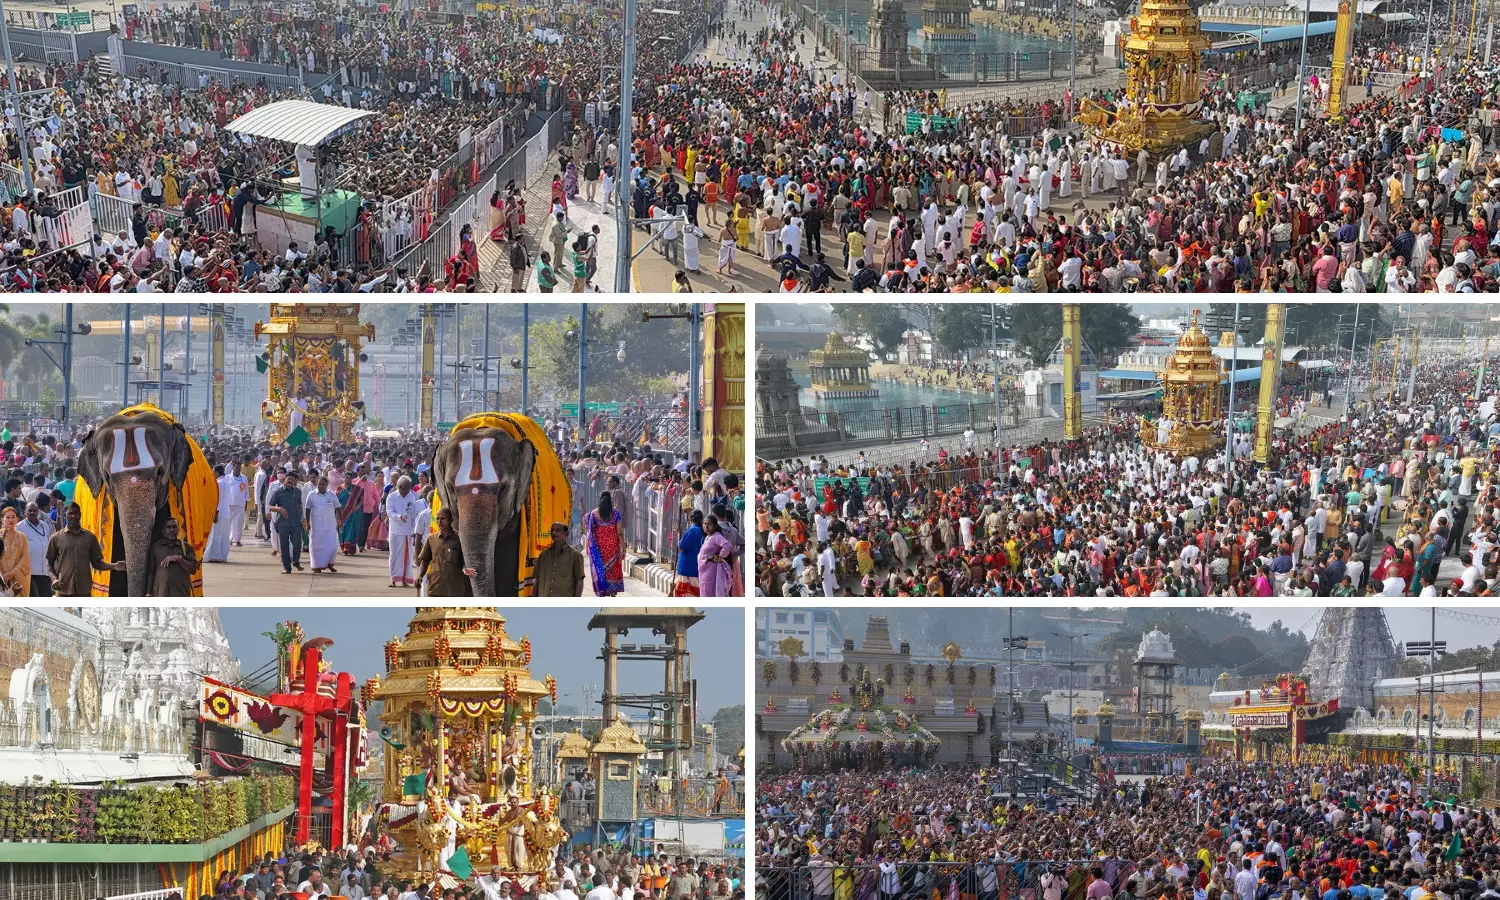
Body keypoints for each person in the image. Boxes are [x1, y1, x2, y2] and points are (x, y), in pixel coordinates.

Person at [46, 502, 124, 596]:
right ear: (65, 515)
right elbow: (49, 563)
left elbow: (97, 564)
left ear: (80, 515)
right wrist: (54, 579)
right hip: (64, 589)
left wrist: (114, 566)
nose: (74, 516)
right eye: (70, 513)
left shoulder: (90, 537)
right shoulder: (56, 538)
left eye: (76, 513)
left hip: (84, 590)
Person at [416, 507, 476, 596]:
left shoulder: (460, 539)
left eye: (443, 518)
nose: (439, 522)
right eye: (437, 519)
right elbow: (425, 561)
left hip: (454, 590)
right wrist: (420, 577)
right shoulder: (431, 539)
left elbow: (465, 560)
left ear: (451, 520)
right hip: (434, 588)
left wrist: (465, 568)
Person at [584, 492, 625, 595]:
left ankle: (603, 590)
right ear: (610, 500)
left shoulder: (592, 514)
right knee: (612, 569)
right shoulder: (616, 514)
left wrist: (587, 547)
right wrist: (623, 547)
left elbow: (589, 533)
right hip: (613, 547)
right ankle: (612, 590)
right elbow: (619, 532)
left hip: (598, 548)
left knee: (600, 569)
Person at [266, 471, 306, 574]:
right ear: (285, 479)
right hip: (283, 523)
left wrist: (303, 518)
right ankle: (287, 567)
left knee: (297, 544)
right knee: (284, 545)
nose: (290, 481)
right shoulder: (278, 492)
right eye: (289, 479)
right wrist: (279, 509)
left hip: (296, 522)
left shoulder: (297, 491)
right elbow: (270, 506)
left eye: (293, 480)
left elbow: (300, 505)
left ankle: (296, 562)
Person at [149, 517, 200, 597]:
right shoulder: (156, 547)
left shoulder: (186, 548)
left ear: (178, 530)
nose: (172, 530)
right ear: (163, 531)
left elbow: (193, 569)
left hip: (180, 594)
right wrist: (148, 593)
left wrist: (178, 558)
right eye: (168, 527)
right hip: (160, 594)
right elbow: (151, 572)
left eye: (174, 527)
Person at [385, 476, 422, 587]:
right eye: (407, 487)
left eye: (409, 487)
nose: (409, 489)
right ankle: (393, 579)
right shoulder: (391, 497)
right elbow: (389, 512)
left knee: (407, 555)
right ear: (400, 487)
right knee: (395, 555)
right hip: (395, 531)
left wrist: (414, 529)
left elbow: (414, 513)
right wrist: (399, 517)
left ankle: (405, 579)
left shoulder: (412, 496)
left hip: (408, 531)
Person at [533, 522, 586, 596]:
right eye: (552, 530)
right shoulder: (543, 555)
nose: (554, 532)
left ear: (566, 534)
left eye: (558, 530)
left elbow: (579, 581)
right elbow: (537, 580)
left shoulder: (576, 556)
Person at [306, 475, 342, 574]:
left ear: (327, 485)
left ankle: (330, 564)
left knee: (332, 546)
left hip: (330, 525)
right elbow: (307, 509)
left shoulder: (332, 495)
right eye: (319, 484)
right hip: (316, 525)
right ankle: (316, 566)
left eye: (323, 484)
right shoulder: (311, 495)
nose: (321, 486)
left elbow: (338, 507)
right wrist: (307, 523)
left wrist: (341, 520)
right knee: (316, 547)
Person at [17, 502, 53, 597]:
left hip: (44, 570)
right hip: (29, 572)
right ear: (25, 512)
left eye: (35, 510)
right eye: (30, 510)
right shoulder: (20, 527)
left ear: (38, 512)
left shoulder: (44, 525)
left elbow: (48, 543)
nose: (32, 512)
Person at [697, 514, 735, 597]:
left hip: (711, 571)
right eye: (705, 524)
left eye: (709, 524)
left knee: (710, 593)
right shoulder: (708, 537)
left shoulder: (716, 536)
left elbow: (727, 546)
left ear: (714, 526)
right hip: (704, 571)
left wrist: (720, 556)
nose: (706, 526)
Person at [204, 464, 234, 563]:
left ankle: (216, 556)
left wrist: (216, 513)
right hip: (226, 511)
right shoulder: (227, 481)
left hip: (220, 511)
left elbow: (218, 499)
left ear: (216, 472)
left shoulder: (219, 483)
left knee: (216, 534)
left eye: (213, 471)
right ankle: (223, 555)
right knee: (225, 535)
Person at [0, 507, 29, 596]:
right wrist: (2, 575)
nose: (10, 520)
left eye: (13, 517)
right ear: (2, 519)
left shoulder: (22, 537)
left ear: (17, 519)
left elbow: (25, 558)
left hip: (18, 578)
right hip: (1, 577)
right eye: (7, 517)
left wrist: (13, 573)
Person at [674, 509, 705, 596]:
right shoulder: (702, 531)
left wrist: (679, 535)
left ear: (690, 519)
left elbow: (681, 546)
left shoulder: (692, 530)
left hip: (688, 568)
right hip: (697, 568)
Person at [338, 472, 365, 556]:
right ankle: (344, 548)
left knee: (351, 530)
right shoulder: (339, 489)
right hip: (342, 513)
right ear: (344, 478)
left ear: (352, 479)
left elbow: (362, 499)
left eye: (350, 478)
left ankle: (348, 548)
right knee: (342, 531)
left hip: (353, 513)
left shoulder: (357, 489)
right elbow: (336, 502)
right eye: (346, 478)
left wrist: (358, 506)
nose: (348, 480)